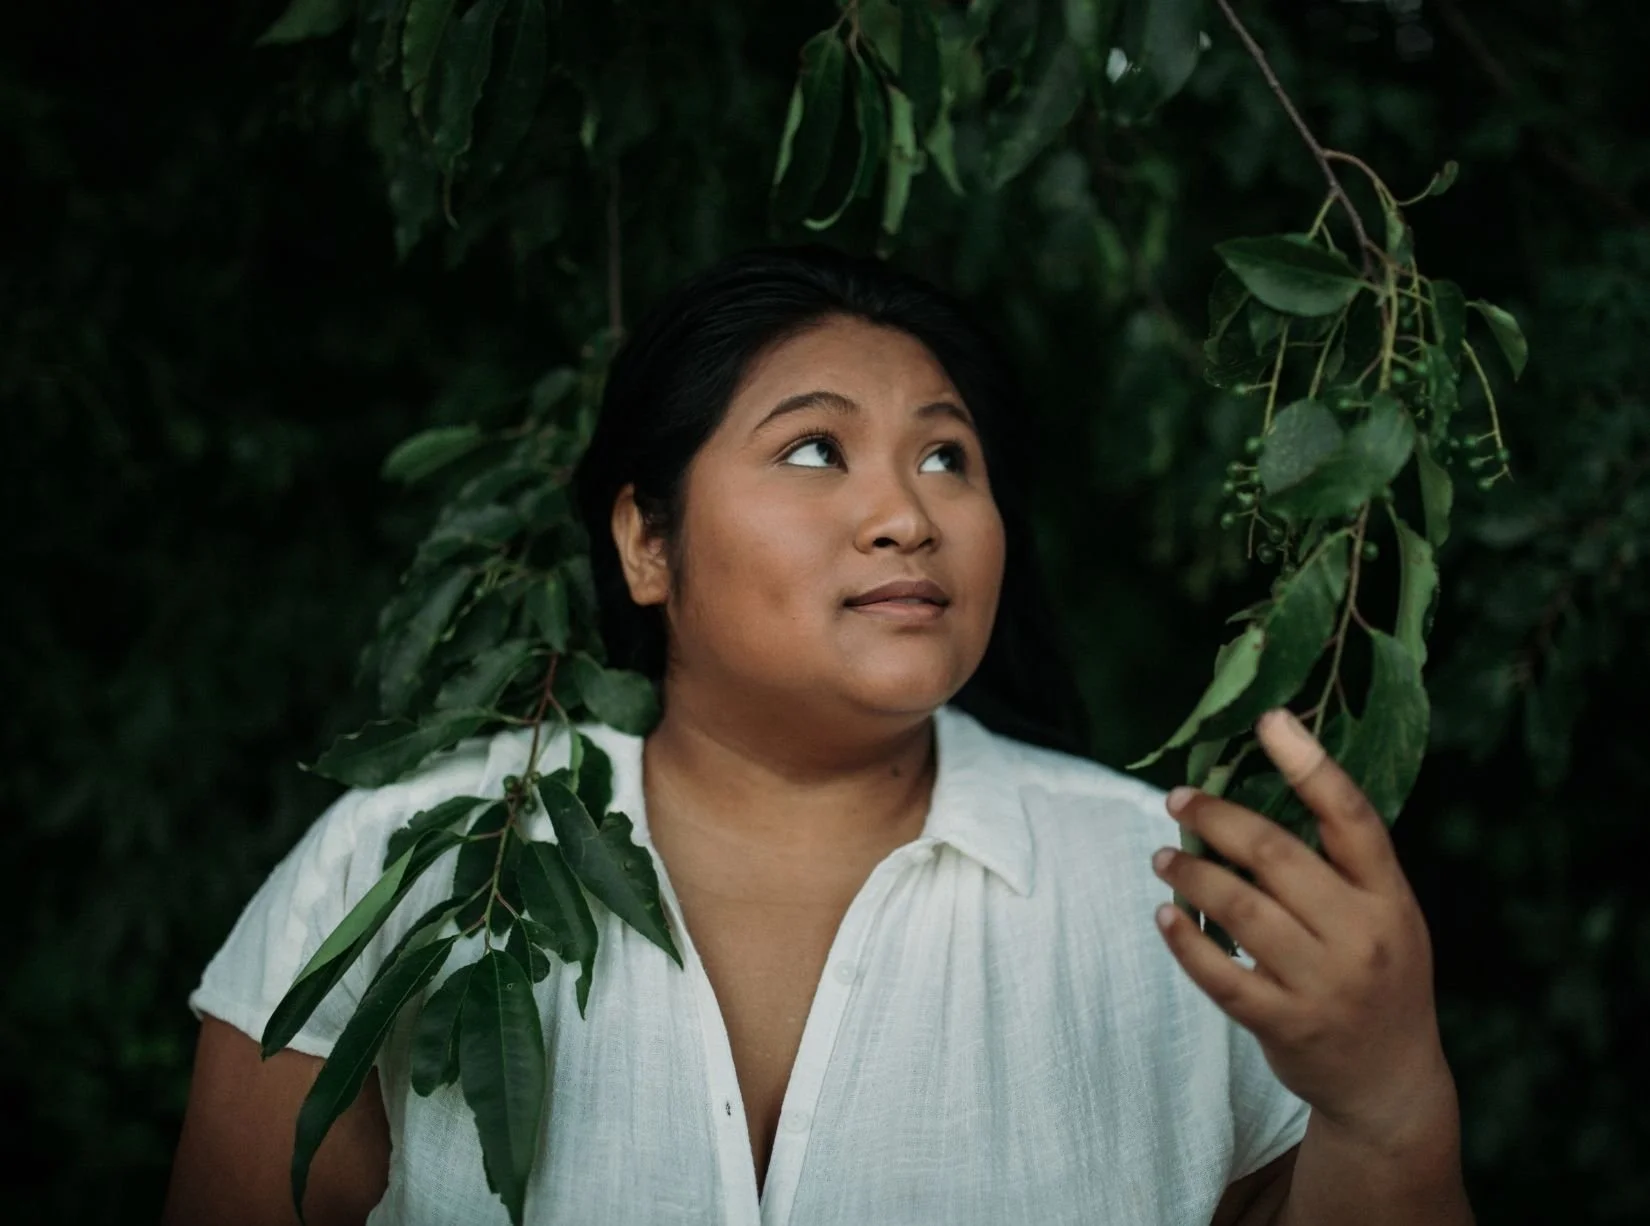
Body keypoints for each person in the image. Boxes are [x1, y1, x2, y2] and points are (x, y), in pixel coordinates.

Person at [163, 246, 1473, 1225]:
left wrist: (1387, 1103)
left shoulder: (1165, 899)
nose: (908, 514)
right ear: (646, 541)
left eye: (947, 458)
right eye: (812, 451)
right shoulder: (410, 860)